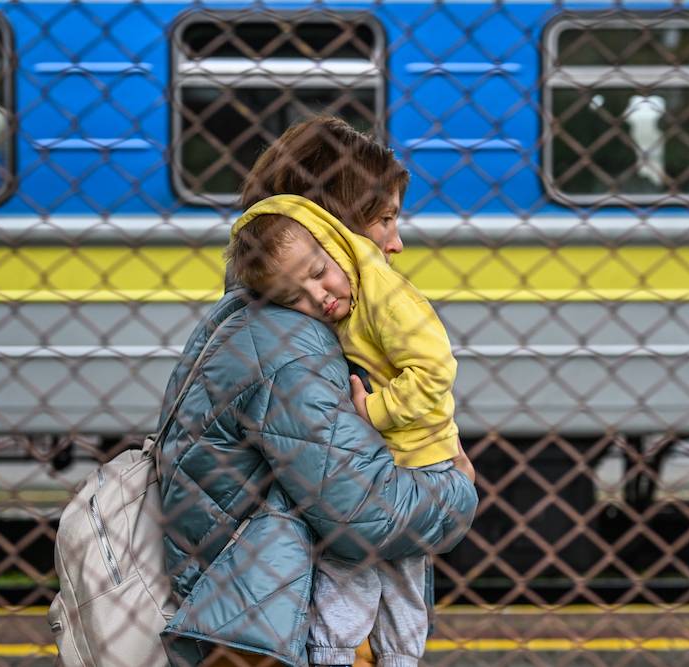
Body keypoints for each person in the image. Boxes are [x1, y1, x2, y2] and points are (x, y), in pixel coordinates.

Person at [157, 119, 478, 667]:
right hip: (287, 637)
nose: (395, 244)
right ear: (332, 230)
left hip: (267, 617)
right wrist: (457, 487)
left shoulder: (275, 323)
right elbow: (364, 517)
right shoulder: (290, 345)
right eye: (384, 221)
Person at [228, 194, 471, 667]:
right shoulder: (338, 305)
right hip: (370, 460)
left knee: (396, 576)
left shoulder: (385, 295)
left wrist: (374, 411)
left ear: (336, 244)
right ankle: (334, 655)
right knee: (348, 568)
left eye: (320, 274)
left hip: (418, 456)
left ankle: (394, 657)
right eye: (295, 298)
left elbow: (435, 369)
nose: (320, 297)